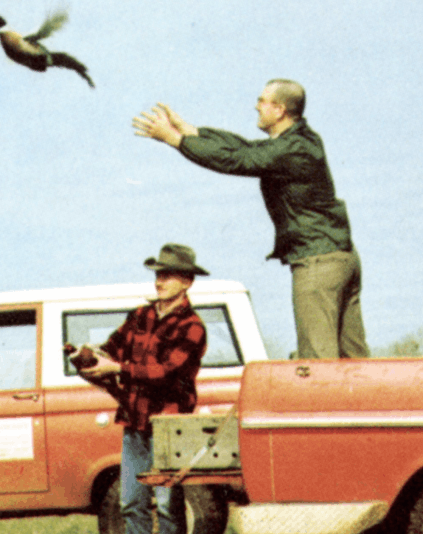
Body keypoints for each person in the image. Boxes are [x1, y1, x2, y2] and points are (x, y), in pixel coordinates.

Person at [131, 79, 368, 359]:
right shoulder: (300, 141)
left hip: (318, 262)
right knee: (354, 358)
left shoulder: (289, 149)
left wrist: (176, 140)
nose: (256, 105)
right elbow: (242, 147)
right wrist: (193, 131)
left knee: (318, 360)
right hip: (339, 257)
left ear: (279, 110)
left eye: (262, 100)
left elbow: (237, 159)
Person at [79, 243, 208, 534]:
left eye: (167, 274)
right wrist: (87, 357)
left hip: (168, 426)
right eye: (157, 274)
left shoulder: (193, 326)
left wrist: (117, 368)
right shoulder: (139, 315)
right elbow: (112, 348)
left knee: (167, 509)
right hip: (134, 423)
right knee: (131, 503)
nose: (160, 280)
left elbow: (167, 373)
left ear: (187, 282)